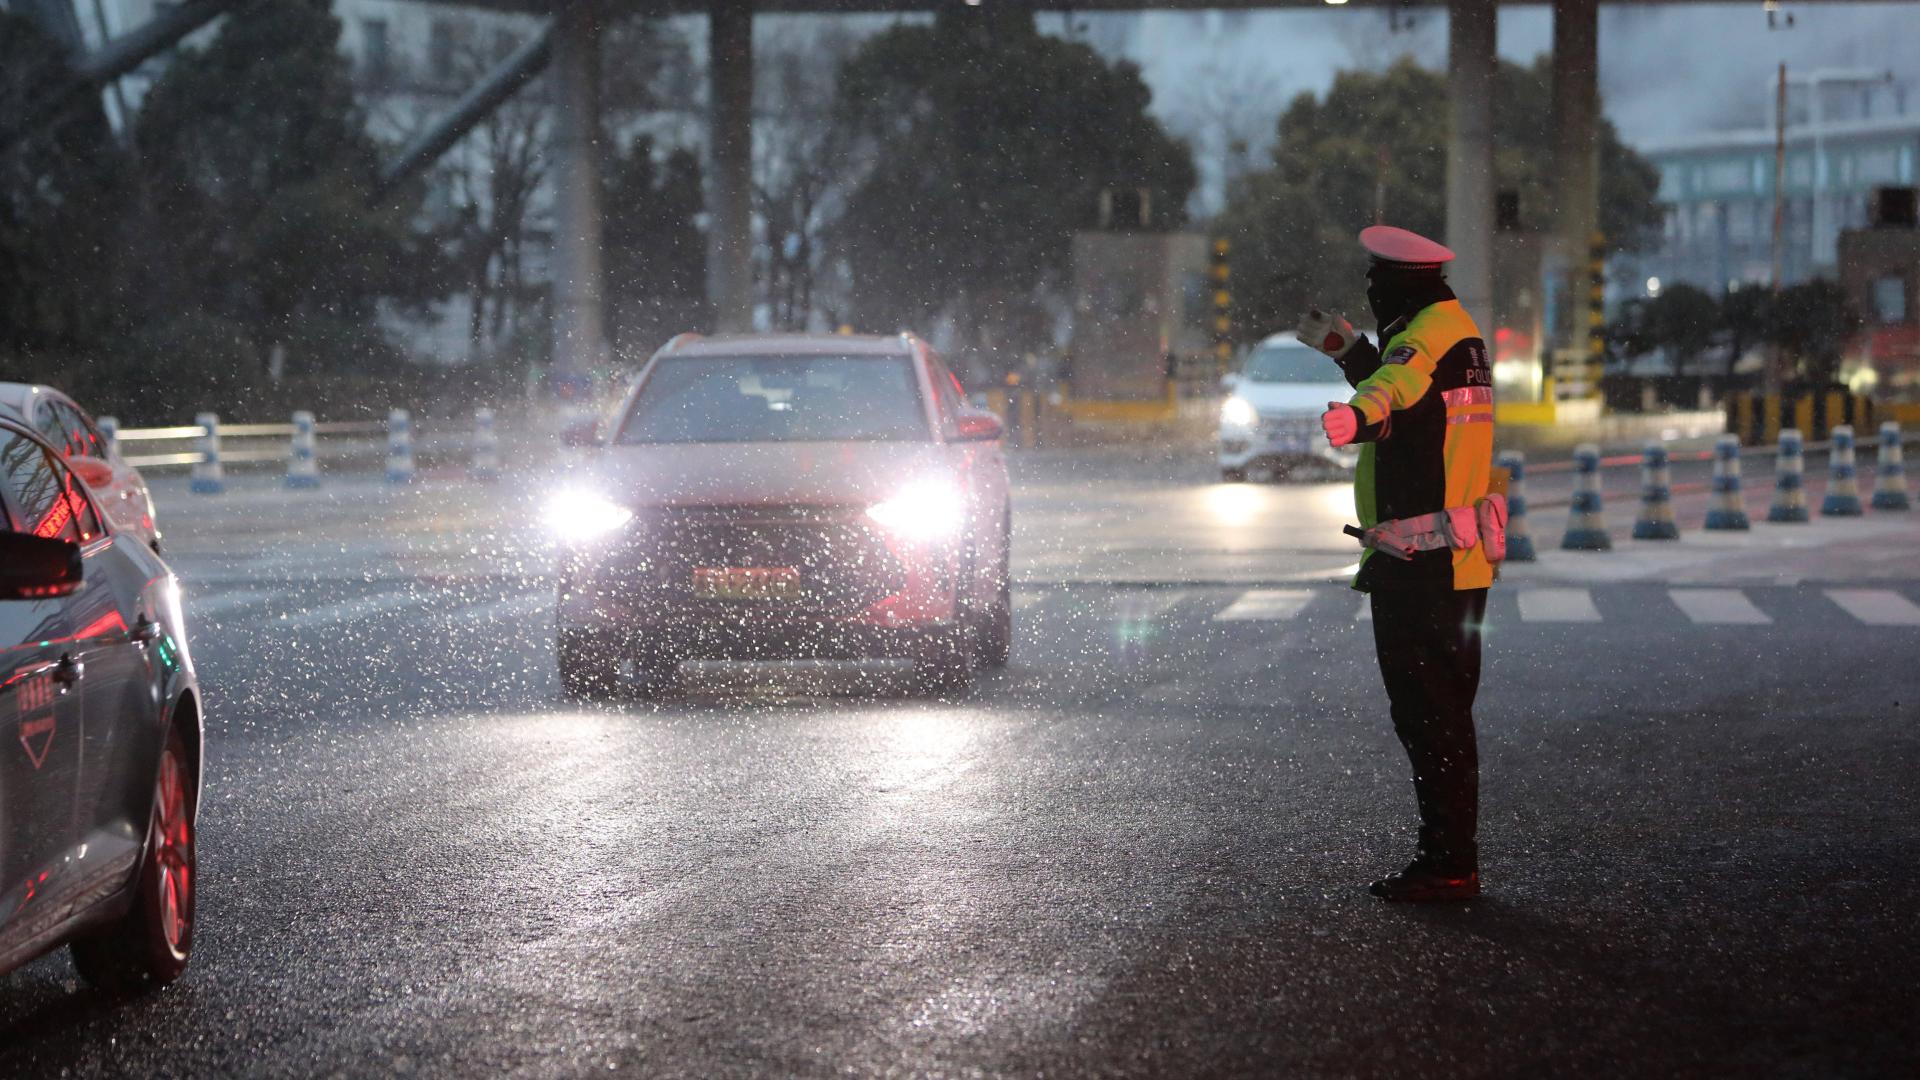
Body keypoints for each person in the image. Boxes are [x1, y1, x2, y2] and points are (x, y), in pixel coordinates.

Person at [1297, 225, 1498, 902]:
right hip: (1452, 558)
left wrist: (1354, 415)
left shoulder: (1428, 336)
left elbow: (1397, 392)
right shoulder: (1454, 329)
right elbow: (1414, 408)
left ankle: (1448, 864)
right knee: (1441, 712)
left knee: (1430, 714)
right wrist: (1354, 354)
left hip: (1423, 564)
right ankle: (1450, 857)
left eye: (1378, 280)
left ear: (1401, 282)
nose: (1373, 288)